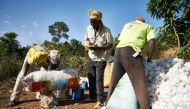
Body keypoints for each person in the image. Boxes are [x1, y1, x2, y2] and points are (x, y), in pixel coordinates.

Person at [106, 17, 155, 109]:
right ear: (143, 22)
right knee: (140, 82)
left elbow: (123, 40)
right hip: (130, 52)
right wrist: (149, 58)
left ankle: (107, 105)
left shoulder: (127, 25)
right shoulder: (147, 26)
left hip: (118, 51)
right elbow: (152, 42)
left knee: (114, 81)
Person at [83, 10, 113, 109]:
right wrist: (88, 45)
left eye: (94, 21)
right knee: (91, 77)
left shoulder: (106, 30)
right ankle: (92, 97)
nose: (92, 23)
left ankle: (100, 100)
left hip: (101, 58)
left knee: (99, 80)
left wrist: (98, 48)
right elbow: (86, 40)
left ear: (99, 21)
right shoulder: (88, 28)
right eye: (91, 21)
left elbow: (110, 44)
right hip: (91, 57)